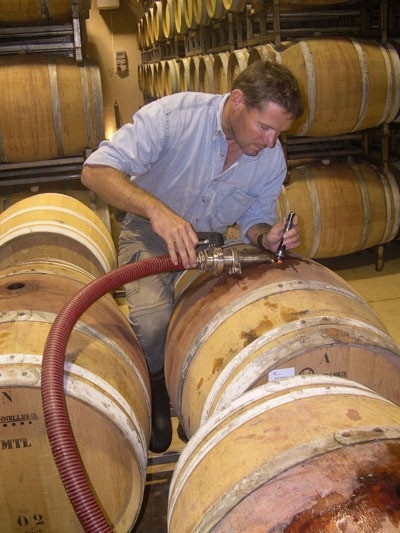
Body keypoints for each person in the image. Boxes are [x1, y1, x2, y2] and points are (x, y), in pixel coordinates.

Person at [81, 60, 304, 453]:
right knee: (153, 324)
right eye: (265, 127)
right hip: (149, 231)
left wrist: (266, 236)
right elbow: (95, 171)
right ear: (238, 101)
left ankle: (193, 391)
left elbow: (253, 220)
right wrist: (156, 210)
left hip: (209, 243)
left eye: (278, 132)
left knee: (222, 322)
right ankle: (157, 390)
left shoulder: (271, 159)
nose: (271, 142)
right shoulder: (174, 117)